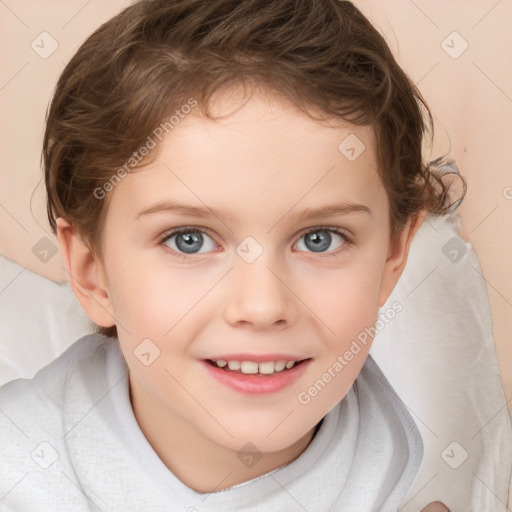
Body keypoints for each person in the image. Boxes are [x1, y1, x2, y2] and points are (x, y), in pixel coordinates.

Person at [0, 1, 457, 510]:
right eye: (189, 239)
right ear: (93, 273)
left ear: (393, 257)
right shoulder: (20, 473)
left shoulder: (379, 451)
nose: (262, 306)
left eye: (319, 239)